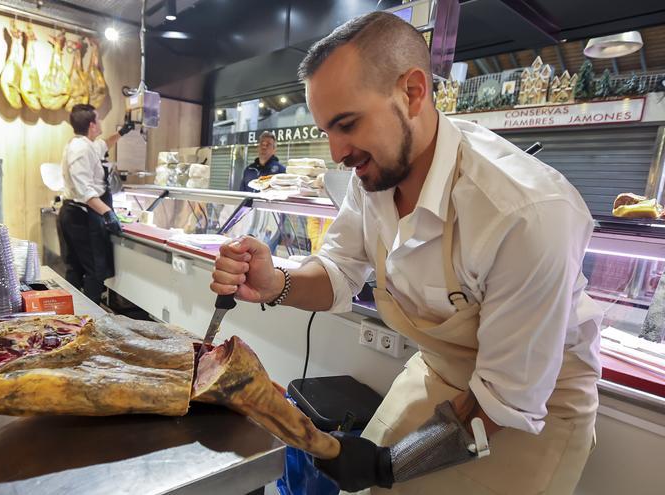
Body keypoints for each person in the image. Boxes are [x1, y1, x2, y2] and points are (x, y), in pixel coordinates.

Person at [210, 12, 601, 495]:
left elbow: (505, 401)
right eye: (326, 129)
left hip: (526, 411)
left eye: (347, 124)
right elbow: (338, 270)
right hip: (437, 372)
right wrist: (277, 283)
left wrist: (387, 466)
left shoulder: (525, 213)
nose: (336, 153)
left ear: (413, 92)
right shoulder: (373, 177)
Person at [58, 104, 133, 304]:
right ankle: (89, 320)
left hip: (77, 214)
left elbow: (103, 145)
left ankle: (73, 318)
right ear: (92, 125)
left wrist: (121, 133)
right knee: (94, 271)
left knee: (77, 268)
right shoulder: (81, 149)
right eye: (98, 119)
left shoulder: (86, 144)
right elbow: (85, 191)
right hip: (80, 216)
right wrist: (108, 213)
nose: (100, 123)